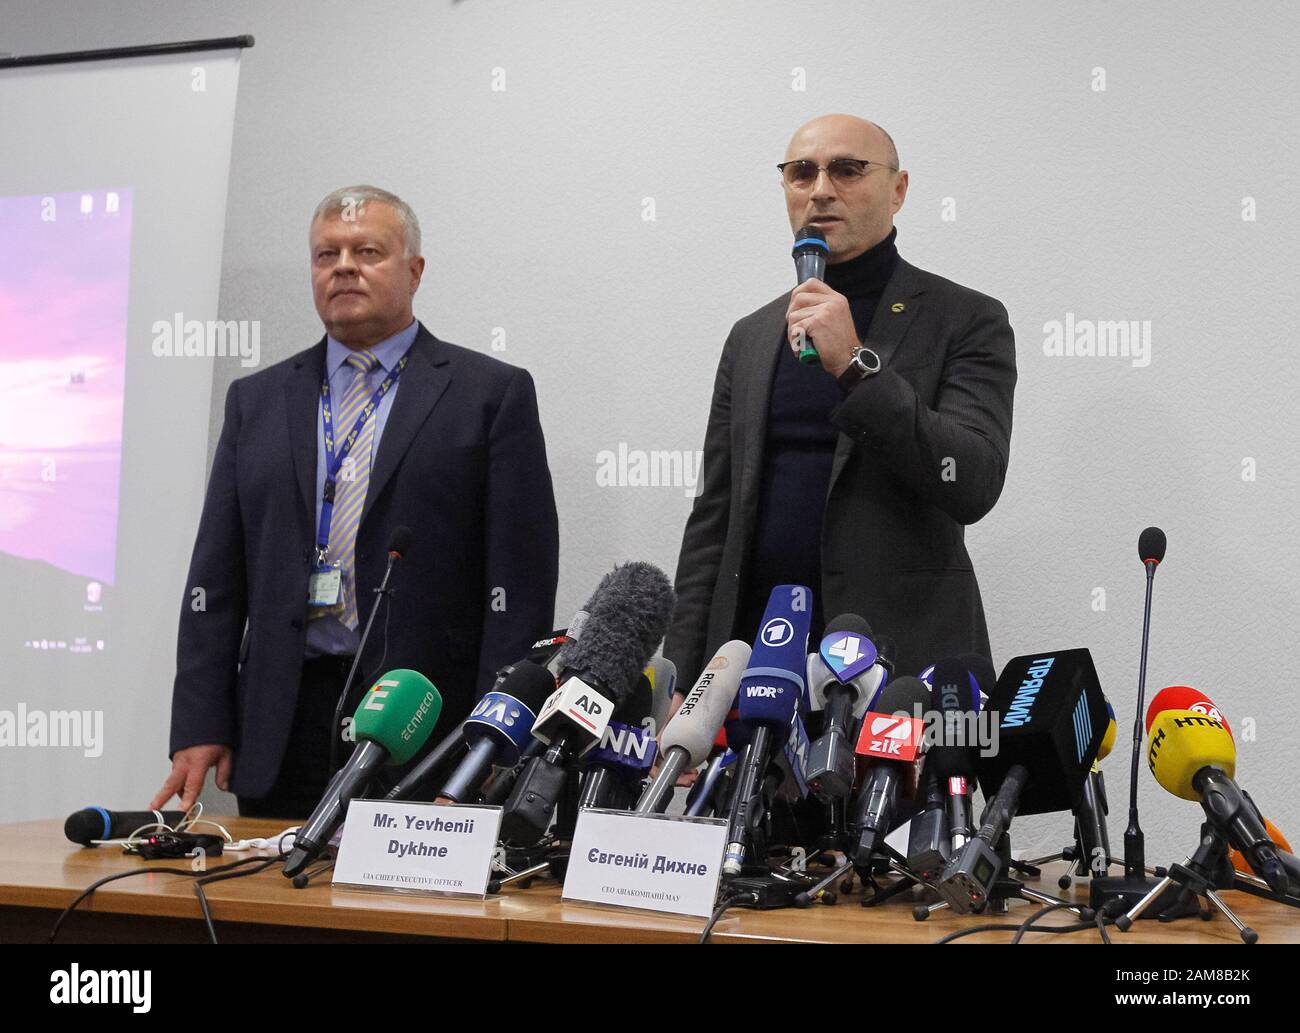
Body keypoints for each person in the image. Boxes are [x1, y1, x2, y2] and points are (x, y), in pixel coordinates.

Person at [151, 185, 559, 818]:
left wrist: (494, 739)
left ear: (414, 271)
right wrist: (201, 720)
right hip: (282, 721)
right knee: (269, 907)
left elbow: (519, 585)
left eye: (367, 251)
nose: (343, 267)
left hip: (426, 721)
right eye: (326, 255)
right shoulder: (256, 402)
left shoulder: (489, 395)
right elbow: (216, 577)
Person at [664, 114, 1016, 700]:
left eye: (848, 170)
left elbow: (971, 480)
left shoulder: (967, 319)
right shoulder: (752, 335)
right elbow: (714, 516)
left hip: (902, 666)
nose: (821, 189)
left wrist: (855, 366)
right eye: (802, 173)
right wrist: (685, 668)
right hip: (760, 663)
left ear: (898, 190)